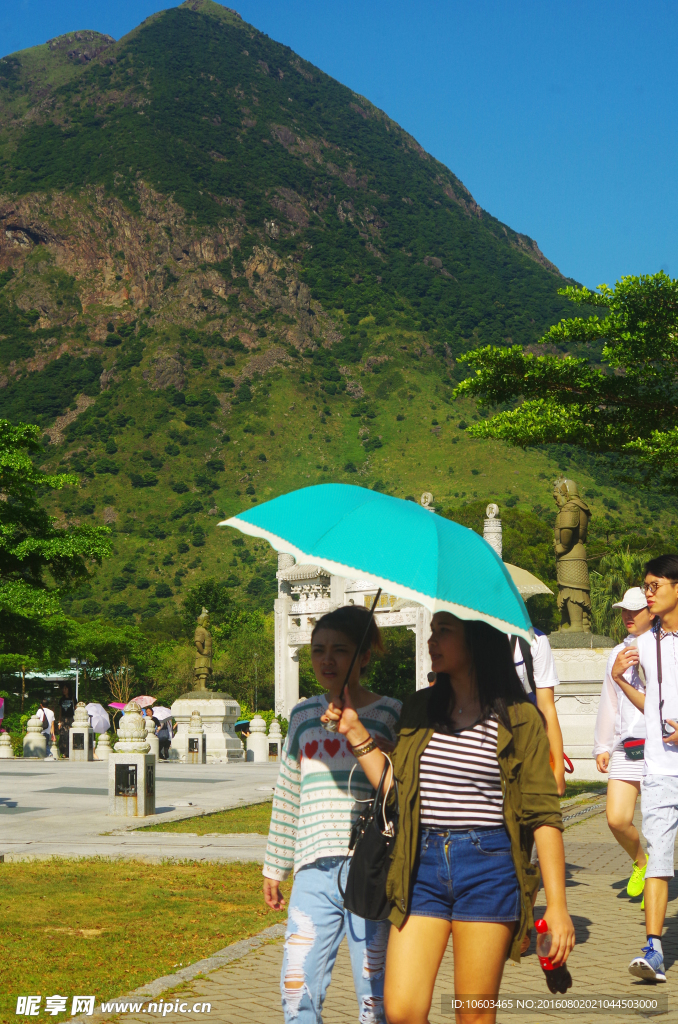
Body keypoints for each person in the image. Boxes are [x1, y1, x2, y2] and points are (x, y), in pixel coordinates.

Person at [323, 612, 574, 1024]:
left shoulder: (520, 717)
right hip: (420, 864)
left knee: (472, 1015)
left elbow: (544, 815)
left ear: (475, 641)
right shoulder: (421, 707)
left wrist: (559, 907)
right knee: (403, 1011)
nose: (431, 640)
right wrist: (354, 732)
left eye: (444, 631)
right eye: (432, 630)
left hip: (488, 865)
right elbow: (395, 792)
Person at [262, 605, 402, 1024]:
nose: (326, 660)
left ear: (363, 656)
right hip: (313, 869)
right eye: (318, 649)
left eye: (339, 650)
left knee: (375, 993)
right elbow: (288, 792)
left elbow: (402, 790)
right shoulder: (303, 717)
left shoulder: (391, 713)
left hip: (372, 871)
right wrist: (275, 864)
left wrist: (361, 734)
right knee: (296, 988)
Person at [612, 556, 678, 983]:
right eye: (646, 585)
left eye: (655, 586)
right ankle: (653, 949)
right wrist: (621, 680)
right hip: (659, 767)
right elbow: (652, 708)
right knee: (658, 858)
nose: (647, 593)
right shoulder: (645, 644)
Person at [593, 587, 651, 900]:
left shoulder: (667, 647)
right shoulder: (618, 652)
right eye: (624, 610)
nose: (628, 616)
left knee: (659, 823)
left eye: (635, 610)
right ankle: (641, 862)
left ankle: (657, 889)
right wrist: (603, 745)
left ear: (652, 610)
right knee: (616, 818)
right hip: (627, 745)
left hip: (662, 744)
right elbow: (609, 701)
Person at [512, 629, 566, 795]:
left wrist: (559, 768)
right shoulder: (467, 636)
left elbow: (546, 708)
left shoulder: (534, 640)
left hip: (527, 747)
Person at [57, 683, 75, 758]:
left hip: (71, 719)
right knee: (63, 736)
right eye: (63, 689)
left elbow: (76, 708)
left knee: (69, 736)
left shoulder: (72, 698)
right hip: (64, 719)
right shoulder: (61, 699)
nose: (64, 690)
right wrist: (59, 722)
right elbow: (60, 711)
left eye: (65, 688)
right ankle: (64, 752)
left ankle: (69, 752)